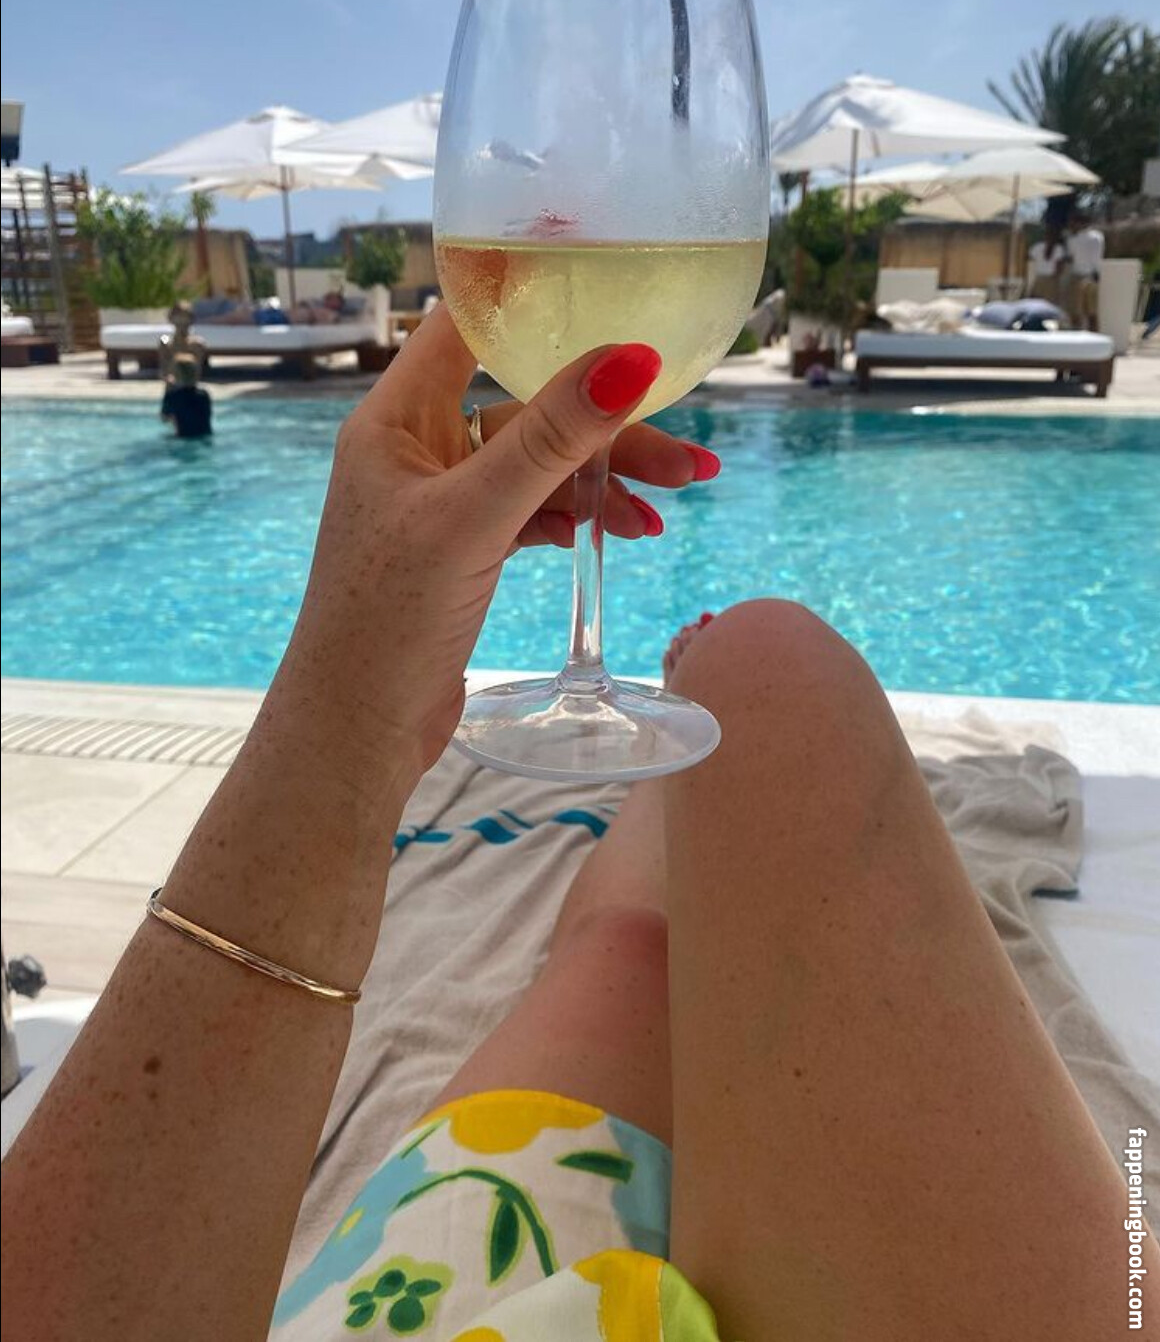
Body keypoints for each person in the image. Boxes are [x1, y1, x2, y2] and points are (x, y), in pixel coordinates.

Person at [2, 308, 1155, 1340]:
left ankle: (661, 768)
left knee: (618, 944)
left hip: (442, 1285)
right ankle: (683, 729)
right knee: (765, 670)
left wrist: (348, 717)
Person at [1065, 209, 1105, 332]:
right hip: (1091, 276)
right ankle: (1095, 337)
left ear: (1079, 223)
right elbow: (1097, 257)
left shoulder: (1072, 239)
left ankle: (1076, 337)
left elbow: (1071, 257)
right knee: (1091, 312)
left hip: (1078, 276)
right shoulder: (1097, 237)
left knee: (1076, 313)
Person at [160, 353, 213, 438]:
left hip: (184, 437)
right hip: (205, 436)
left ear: (175, 375)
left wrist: (167, 388)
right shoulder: (204, 395)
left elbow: (164, 418)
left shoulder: (173, 396)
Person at [1027, 226, 1068, 304]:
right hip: (1052, 280)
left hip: (1039, 279)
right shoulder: (1059, 248)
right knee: (1050, 303)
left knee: (1036, 303)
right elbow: (1059, 267)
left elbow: (1030, 258)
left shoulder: (1036, 247)